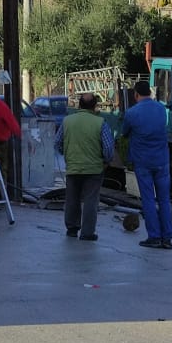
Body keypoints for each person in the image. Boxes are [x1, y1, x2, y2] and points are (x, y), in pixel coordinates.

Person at [121, 79, 172, 249]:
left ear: (135, 94)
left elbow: (124, 133)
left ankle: (154, 236)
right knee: (165, 200)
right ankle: (167, 238)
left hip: (143, 162)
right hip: (162, 161)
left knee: (148, 199)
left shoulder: (132, 113)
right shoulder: (161, 109)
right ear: (150, 94)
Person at [55, 92, 114, 241]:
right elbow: (108, 149)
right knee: (90, 201)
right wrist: (106, 162)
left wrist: (68, 155)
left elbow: (57, 143)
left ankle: (72, 228)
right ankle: (87, 233)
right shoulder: (100, 123)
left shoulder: (67, 121)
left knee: (72, 199)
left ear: (79, 105)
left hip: (73, 167)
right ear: (94, 106)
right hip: (94, 169)